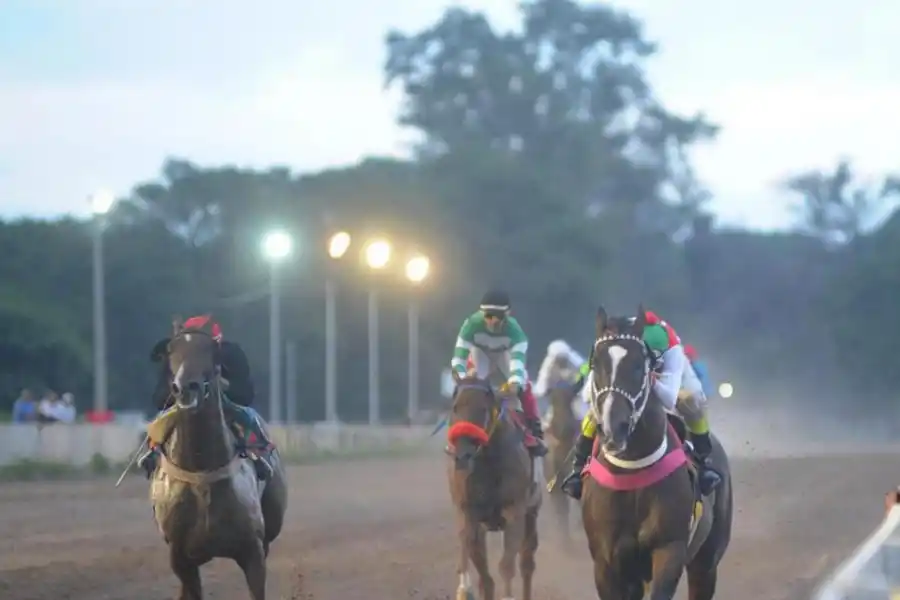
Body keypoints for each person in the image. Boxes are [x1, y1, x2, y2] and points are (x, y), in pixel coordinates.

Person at [561, 310, 722, 500]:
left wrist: (651, 381)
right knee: (595, 411)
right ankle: (578, 467)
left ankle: (704, 464)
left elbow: (668, 399)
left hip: (666, 368)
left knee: (691, 402)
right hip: (632, 366)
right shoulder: (610, 344)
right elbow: (588, 395)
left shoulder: (666, 344)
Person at [137, 315, 274, 481]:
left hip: (221, 404)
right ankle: (153, 452)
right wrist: (176, 391)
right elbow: (159, 398)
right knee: (158, 421)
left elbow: (246, 393)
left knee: (249, 415)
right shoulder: (175, 357)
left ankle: (258, 452)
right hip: (183, 405)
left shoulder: (231, 354)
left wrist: (224, 385)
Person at [450, 290, 546, 457]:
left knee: (524, 383)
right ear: (481, 313)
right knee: (470, 387)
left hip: (505, 353)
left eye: (498, 316)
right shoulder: (471, 324)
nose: (492, 321)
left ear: (507, 314)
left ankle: (534, 429)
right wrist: (461, 374)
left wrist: (515, 382)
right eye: (488, 315)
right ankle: (458, 429)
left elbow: (517, 362)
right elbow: (460, 356)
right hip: (480, 353)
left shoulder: (516, 332)